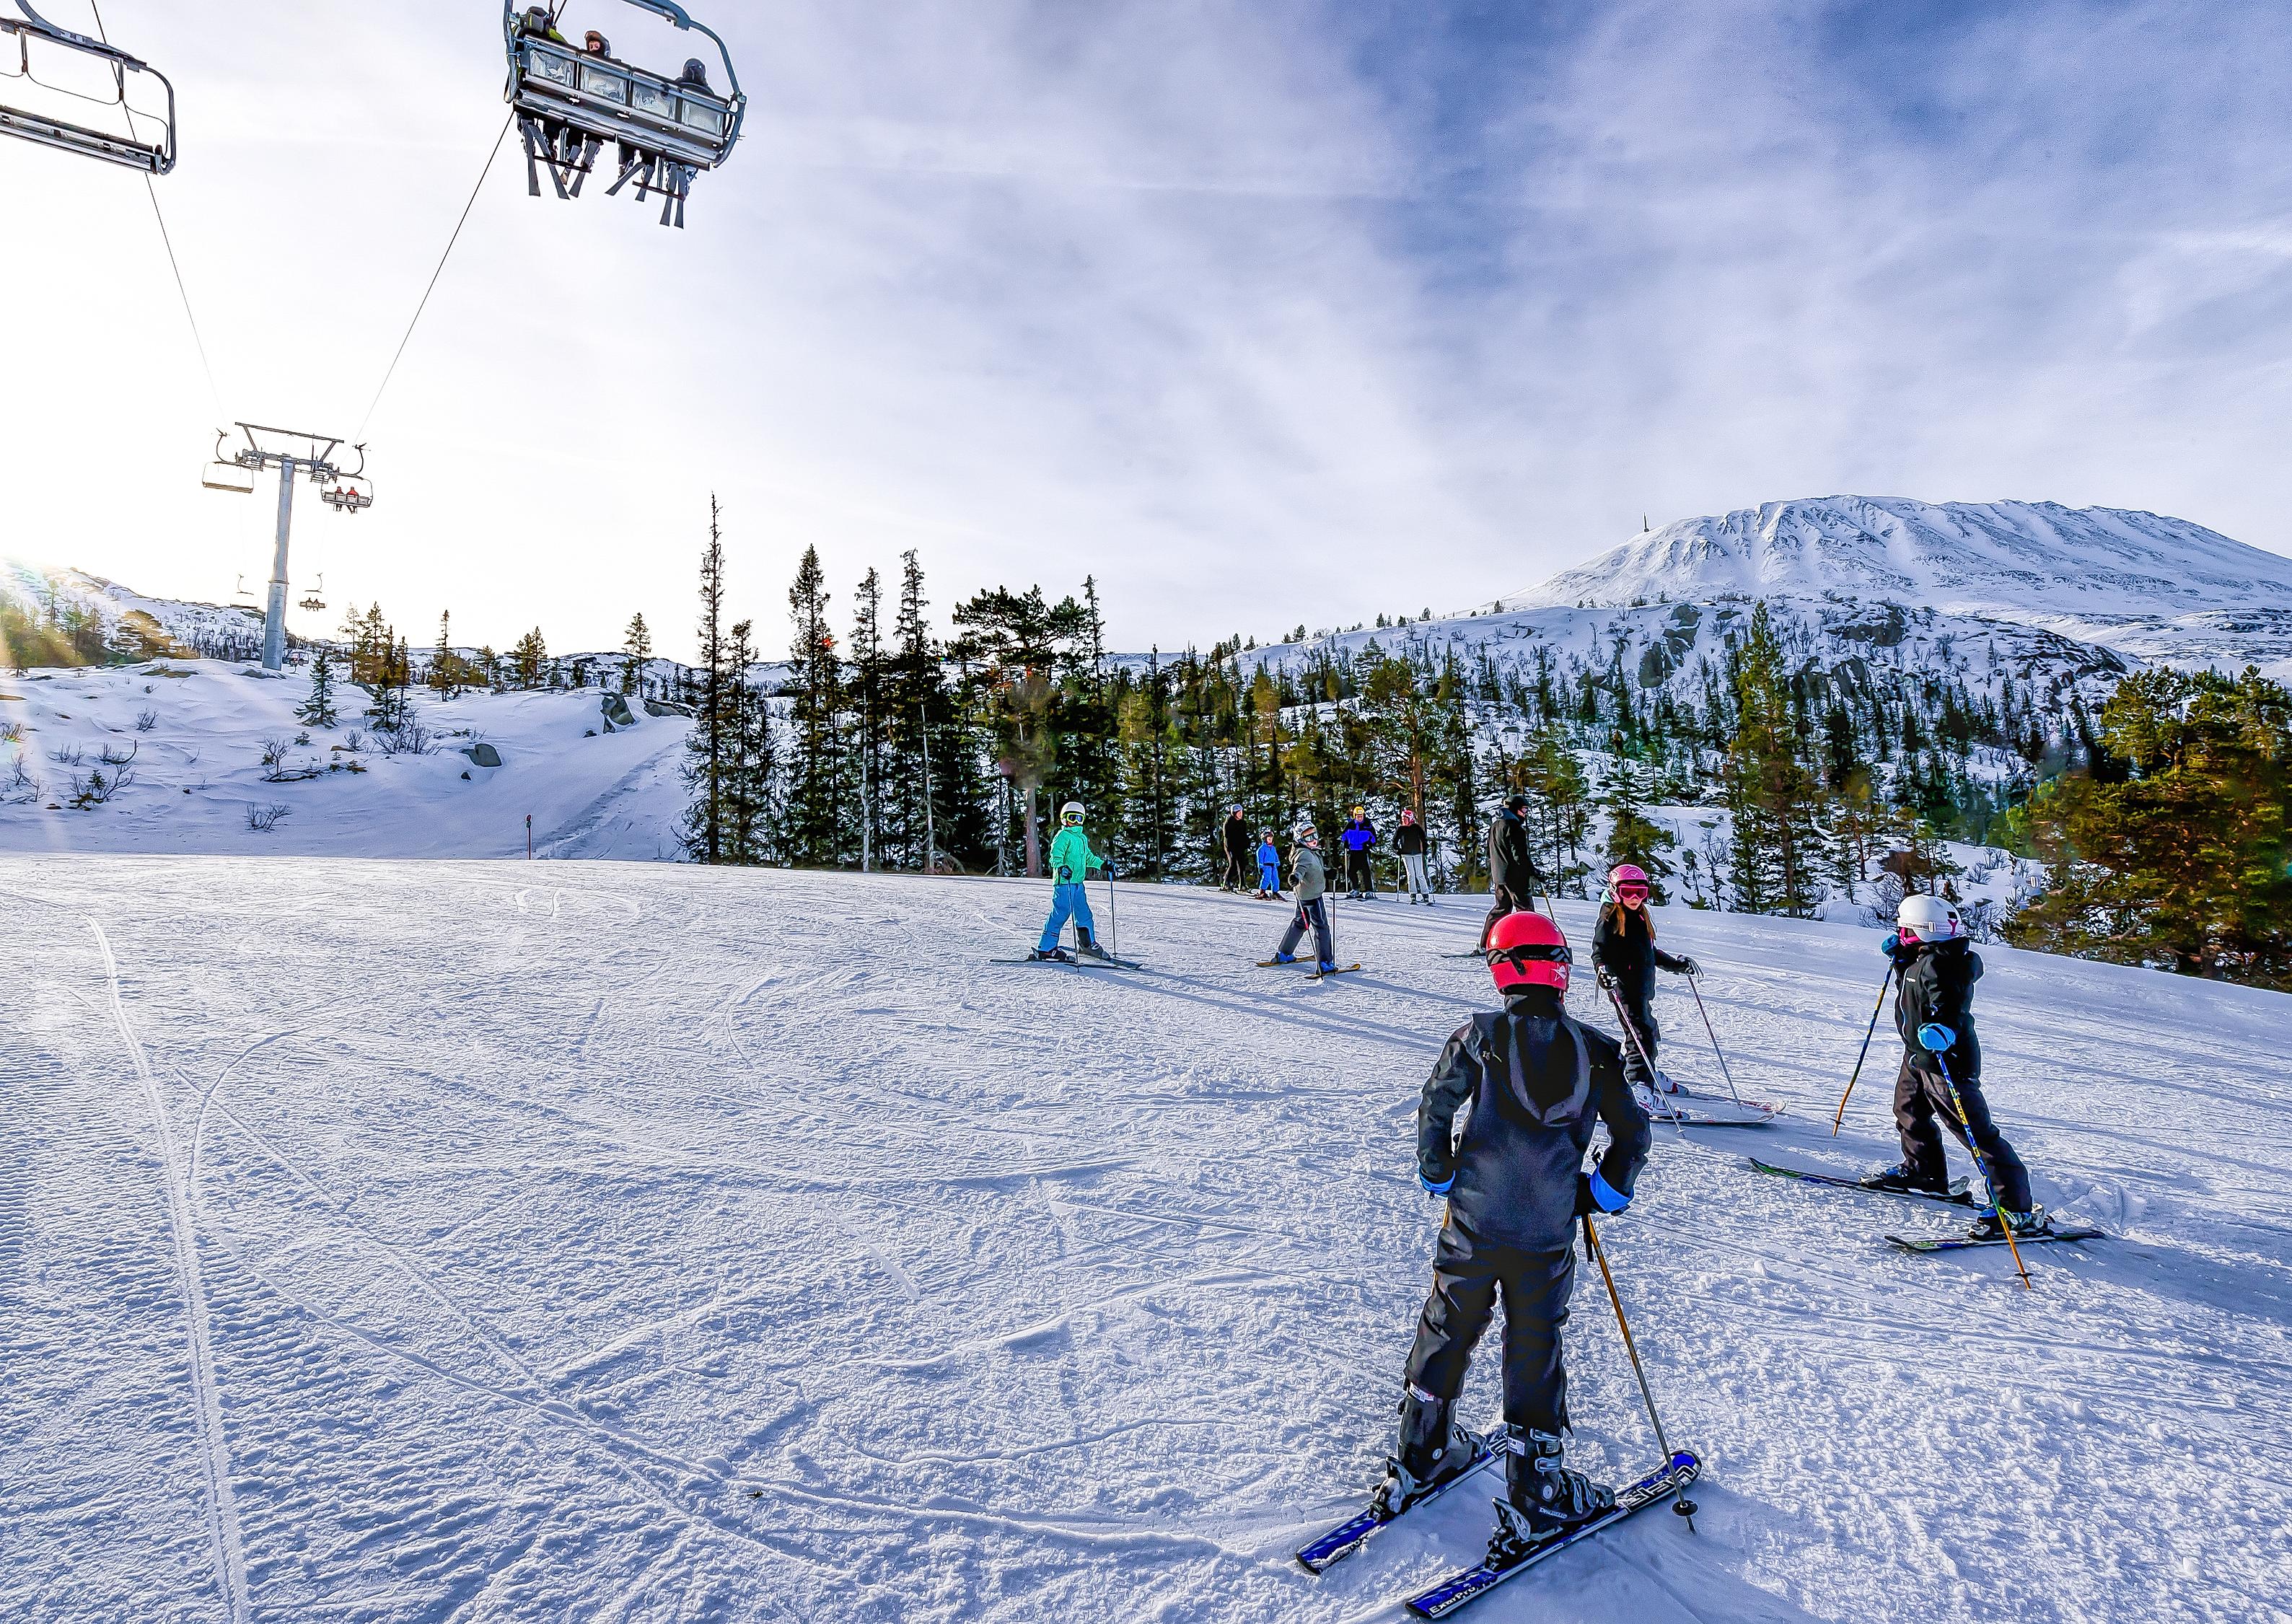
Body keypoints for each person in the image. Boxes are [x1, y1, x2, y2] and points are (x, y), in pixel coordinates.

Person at [1377, 910, 1652, 1558]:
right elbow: (1633, 1134)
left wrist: (1440, 1173)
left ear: (1501, 969)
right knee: (1534, 1339)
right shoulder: (1597, 1049)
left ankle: (1422, 1448)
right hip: (1546, 1229)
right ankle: (1537, 1491)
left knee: (1448, 1320)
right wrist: (1599, 1192)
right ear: (1558, 969)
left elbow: (1435, 1105)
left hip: (1475, 1219)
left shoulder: (1478, 1035)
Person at [1865, 894, 2047, 1239]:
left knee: (1974, 1131)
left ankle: (2016, 1207)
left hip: (1945, 1059)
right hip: (1917, 1054)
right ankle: (1924, 1172)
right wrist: (1903, 959)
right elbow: (1919, 987)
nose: (1901, 932)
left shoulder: (1946, 965)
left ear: (1923, 930)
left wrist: (1944, 1028)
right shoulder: (1926, 956)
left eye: (1906, 928)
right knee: (1908, 1112)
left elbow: (1950, 1001)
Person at [1591, 864, 1698, 1097]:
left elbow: (1649, 952)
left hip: (1640, 988)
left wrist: (1676, 966)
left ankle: (1649, 1072)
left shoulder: (1639, 915)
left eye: (1641, 892)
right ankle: (1639, 1086)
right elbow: (1599, 952)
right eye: (1628, 892)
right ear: (1615, 891)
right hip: (1623, 987)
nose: (1634, 898)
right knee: (1639, 1035)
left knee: (1649, 1030)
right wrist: (1603, 971)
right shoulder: (1610, 917)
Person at [1032, 802, 1110, 962]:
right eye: (1072, 818)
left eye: (1079, 819)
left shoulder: (1082, 838)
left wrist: (1103, 864)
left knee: (1084, 914)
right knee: (1061, 913)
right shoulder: (1063, 836)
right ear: (1064, 819)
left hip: (1078, 885)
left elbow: (1088, 858)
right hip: (1064, 884)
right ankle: (1046, 948)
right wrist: (1061, 867)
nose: (1075, 822)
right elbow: (1055, 857)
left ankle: (1087, 944)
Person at [1481, 794, 1546, 948]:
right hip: (1516, 878)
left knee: (1501, 910)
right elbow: (1520, 857)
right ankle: (1532, 944)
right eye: (1524, 809)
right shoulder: (1514, 827)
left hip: (1500, 878)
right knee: (1526, 911)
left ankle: (1485, 944)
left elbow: (1488, 852)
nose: (1525, 813)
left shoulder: (1495, 826)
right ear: (1514, 809)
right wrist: (1534, 872)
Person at [1269, 824, 1335, 971]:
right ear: (1301, 839)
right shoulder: (1304, 854)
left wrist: (1326, 872)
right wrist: (1295, 877)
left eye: (1315, 835)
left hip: (1303, 896)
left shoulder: (1309, 852)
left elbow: (1313, 869)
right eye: (1309, 837)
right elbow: (1300, 869)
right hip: (1313, 898)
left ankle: (1284, 953)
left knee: (1300, 923)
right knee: (1321, 927)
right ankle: (1325, 963)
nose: (1314, 840)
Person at [1395, 808, 1432, 904]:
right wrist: (1397, 850)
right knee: (1411, 874)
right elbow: (1394, 842)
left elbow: (1424, 839)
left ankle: (1425, 894)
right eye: (1403, 818)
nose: (1403, 820)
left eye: (1405, 818)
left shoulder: (1416, 827)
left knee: (1420, 874)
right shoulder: (1401, 829)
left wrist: (1425, 850)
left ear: (1410, 818)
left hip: (1417, 853)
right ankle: (1413, 895)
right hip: (1406, 854)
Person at [1219, 805, 1252, 892]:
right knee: (1233, 864)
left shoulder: (1242, 823)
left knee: (1242, 865)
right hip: (1230, 847)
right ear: (1234, 813)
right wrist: (1231, 846)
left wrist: (1247, 842)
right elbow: (1228, 837)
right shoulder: (1229, 823)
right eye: (1239, 813)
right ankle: (1226, 883)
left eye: (1241, 812)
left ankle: (1242, 884)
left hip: (1239, 847)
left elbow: (1243, 835)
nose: (1241, 814)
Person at [1255, 830, 1282, 900]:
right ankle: (1262, 891)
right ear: (1265, 839)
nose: (1270, 839)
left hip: (1273, 866)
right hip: (1266, 866)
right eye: (1269, 838)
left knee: (1276, 879)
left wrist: (1277, 863)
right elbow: (1260, 858)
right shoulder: (1262, 848)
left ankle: (1275, 892)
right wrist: (1260, 867)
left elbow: (1276, 856)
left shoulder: (1273, 848)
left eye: (1271, 838)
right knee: (1266, 878)